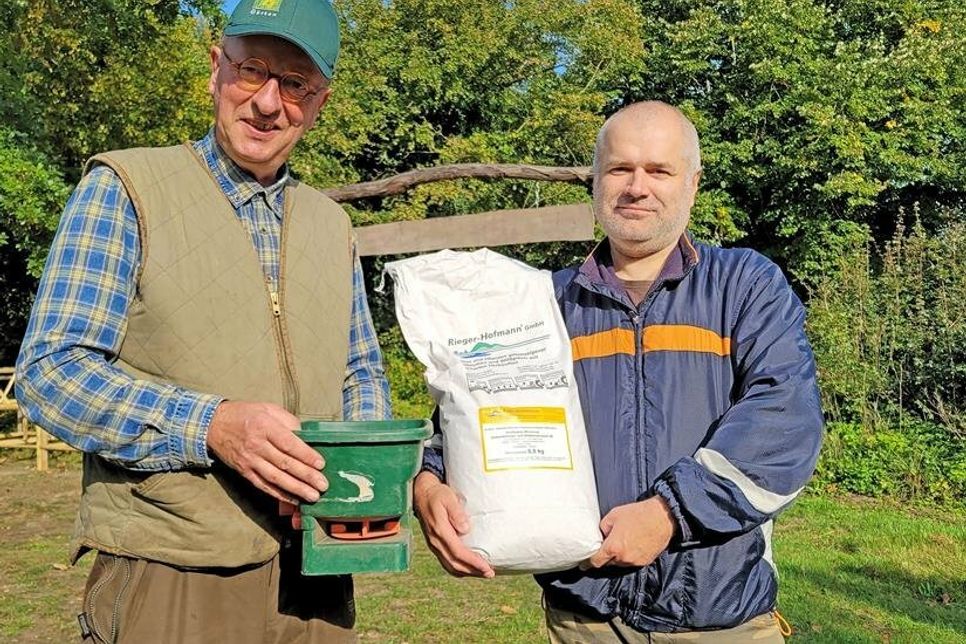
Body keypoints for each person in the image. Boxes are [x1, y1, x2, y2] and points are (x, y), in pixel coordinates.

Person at [15, 1, 390, 642]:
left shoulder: (333, 224)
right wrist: (212, 425)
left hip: (318, 575)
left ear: (319, 101)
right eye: (252, 72)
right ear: (217, 69)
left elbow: (360, 371)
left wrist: (360, 478)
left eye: (294, 84)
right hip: (172, 570)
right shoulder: (125, 186)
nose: (269, 103)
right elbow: (51, 371)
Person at [412, 101, 824, 642]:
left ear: (692, 184)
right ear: (595, 180)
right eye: (620, 169)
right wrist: (430, 478)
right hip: (585, 618)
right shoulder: (544, 303)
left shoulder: (744, 286)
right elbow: (472, 409)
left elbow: (784, 421)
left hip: (722, 622)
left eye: (659, 170)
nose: (637, 186)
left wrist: (668, 513)